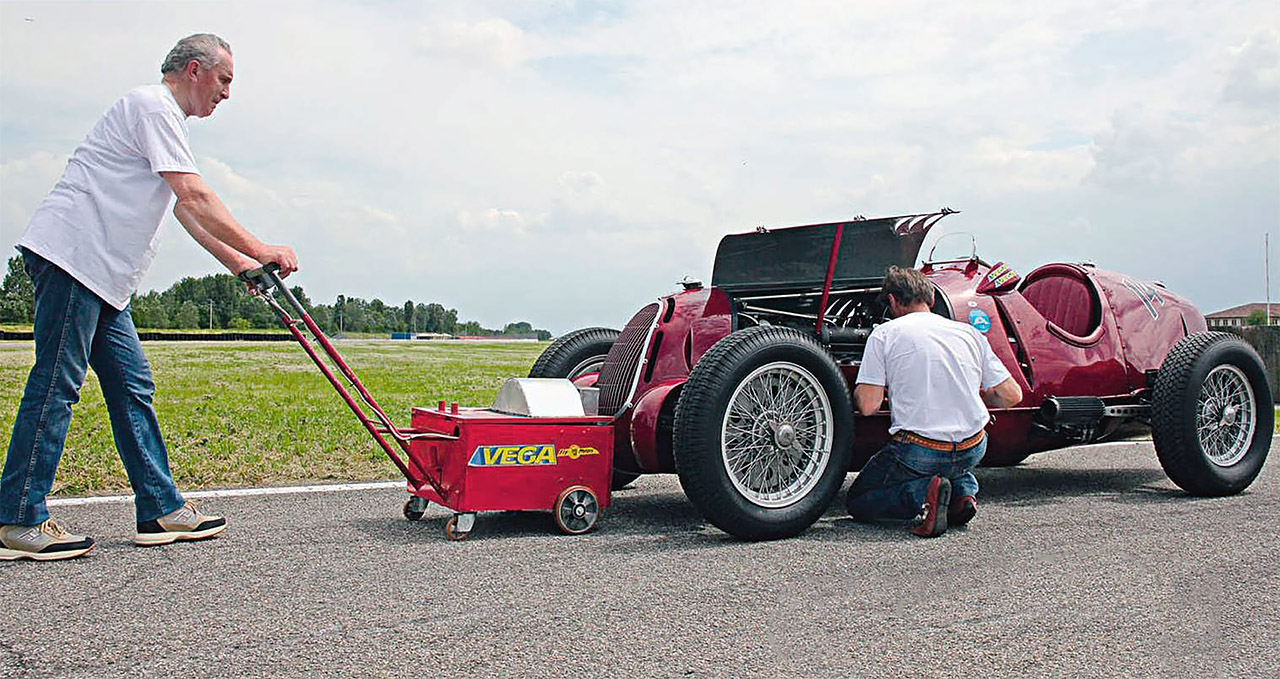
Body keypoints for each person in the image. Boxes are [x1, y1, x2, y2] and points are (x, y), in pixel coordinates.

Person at [0, 34, 298, 561]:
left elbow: (185, 212)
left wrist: (243, 265)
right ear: (193, 69)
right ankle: (17, 518)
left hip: (103, 277)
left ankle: (159, 510)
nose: (227, 94)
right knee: (56, 386)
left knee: (132, 387)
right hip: (74, 258)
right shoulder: (150, 104)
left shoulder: (167, 123)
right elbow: (196, 196)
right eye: (225, 80)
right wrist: (262, 246)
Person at [846, 266, 1022, 538]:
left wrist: (858, 391)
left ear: (892, 301)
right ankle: (963, 495)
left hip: (920, 451)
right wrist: (968, 393)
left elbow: (868, 406)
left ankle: (924, 495)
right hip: (973, 446)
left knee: (860, 500)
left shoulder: (884, 334)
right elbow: (1011, 395)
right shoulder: (969, 333)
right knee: (952, 466)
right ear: (930, 300)